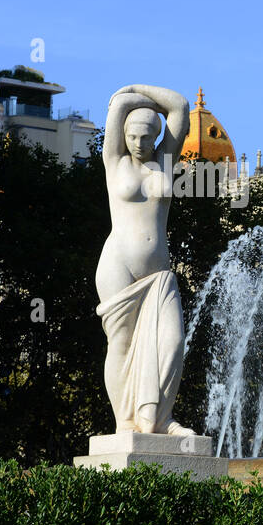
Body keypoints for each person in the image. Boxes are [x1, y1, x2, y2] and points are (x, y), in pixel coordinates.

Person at [97, 84, 195, 435]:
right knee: (120, 344)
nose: (139, 143)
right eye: (133, 136)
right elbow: (118, 103)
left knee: (172, 342)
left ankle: (160, 419)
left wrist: (138, 89)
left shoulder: (164, 160)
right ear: (124, 135)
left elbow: (180, 107)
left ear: (156, 136)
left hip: (158, 272)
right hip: (117, 264)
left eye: (146, 136)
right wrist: (129, 97)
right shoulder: (114, 161)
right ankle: (126, 423)